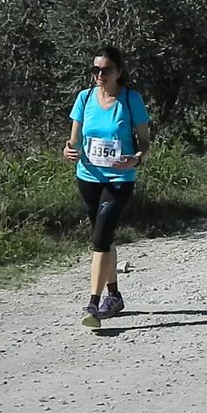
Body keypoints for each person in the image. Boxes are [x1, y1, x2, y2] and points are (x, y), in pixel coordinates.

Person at [63, 46, 151, 328]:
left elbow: (145, 143)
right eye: (95, 70)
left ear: (119, 72)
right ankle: (114, 295)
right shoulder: (84, 98)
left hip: (118, 180)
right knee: (105, 238)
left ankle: (93, 304)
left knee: (100, 240)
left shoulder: (130, 100)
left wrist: (135, 160)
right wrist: (69, 150)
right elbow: (74, 140)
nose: (99, 75)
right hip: (88, 177)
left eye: (106, 70)